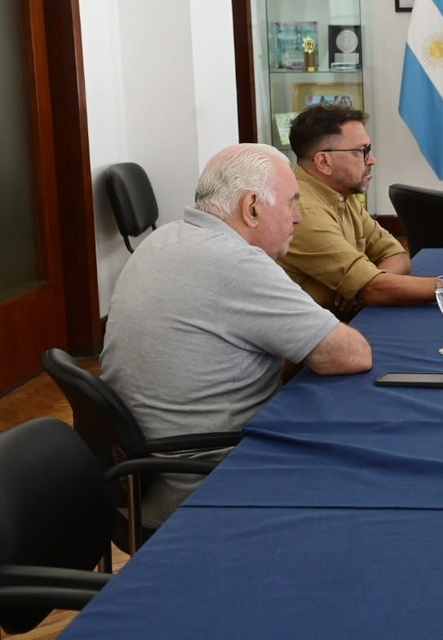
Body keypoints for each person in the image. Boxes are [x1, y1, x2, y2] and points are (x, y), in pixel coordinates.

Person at [102, 144, 373, 524]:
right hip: (212, 480)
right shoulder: (236, 262)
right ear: (252, 207)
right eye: (292, 203)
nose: (298, 217)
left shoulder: (165, 239)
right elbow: (351, 355)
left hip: (150, 473)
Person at [277, 105, 443, 310]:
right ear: (324, 162)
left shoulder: (340, 193)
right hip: (317, 334)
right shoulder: (303, 212)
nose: (372, 159)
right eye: (362, 151)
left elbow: (397, 255)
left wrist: (365, 286)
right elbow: (375, 289)